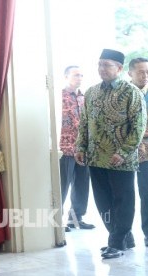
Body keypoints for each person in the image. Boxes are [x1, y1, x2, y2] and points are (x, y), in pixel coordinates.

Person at [75, 49, 146, 259]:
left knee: (123, 200)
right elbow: (85, 123)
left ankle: (115, 242)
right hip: (96, 158)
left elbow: (139, 127)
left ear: (119, 68)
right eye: (99, 64)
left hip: (120, 160)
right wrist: (81, 147)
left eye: (107, 65)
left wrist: (124, 152)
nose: (102, 69)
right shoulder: (91, 92)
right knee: (102, 201)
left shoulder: (131, 92)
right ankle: (123, 238)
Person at [59, 65, 94, 232]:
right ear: (66, 77)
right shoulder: (59, 96)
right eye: (75, 75)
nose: (79, 78)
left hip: (82, 148)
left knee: (81, 184)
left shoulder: (83, 97)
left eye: (81, 75)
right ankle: (57, 221)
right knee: (62, 185)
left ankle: (76, 218)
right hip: (65, 148)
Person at [128, 57, 148, 247]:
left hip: (146, 153)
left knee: (147, 193)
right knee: (126, 196)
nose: (145, 76)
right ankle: (123, 236)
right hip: (123, 152)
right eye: (141, 71)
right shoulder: (124, 94)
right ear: (130, 74)